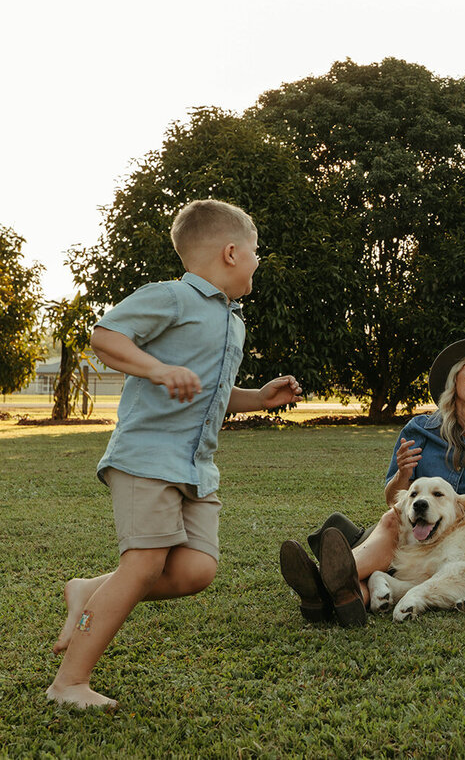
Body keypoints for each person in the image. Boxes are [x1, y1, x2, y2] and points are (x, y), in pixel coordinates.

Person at [47, 199, 303, 709]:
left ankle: (89, 590)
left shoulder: (232, 320)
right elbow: (105, 336)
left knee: (195, 571)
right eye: (255, 251)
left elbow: (210, 392)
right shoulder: (171, 297)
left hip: (196, 467)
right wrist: (157, 369)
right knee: (143, 565)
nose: (257, 260)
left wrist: (257, 398)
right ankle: (69, 683)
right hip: (146, 457)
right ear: (231, 252)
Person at [279, 338, 465, 627]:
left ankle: (322, 592)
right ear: (454, 380)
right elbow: (393, 497)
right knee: (394, 517)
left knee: (368, 582)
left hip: (458, 541)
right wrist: (403, 474)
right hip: (409, 534)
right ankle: (333, 579)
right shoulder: (419, 429)